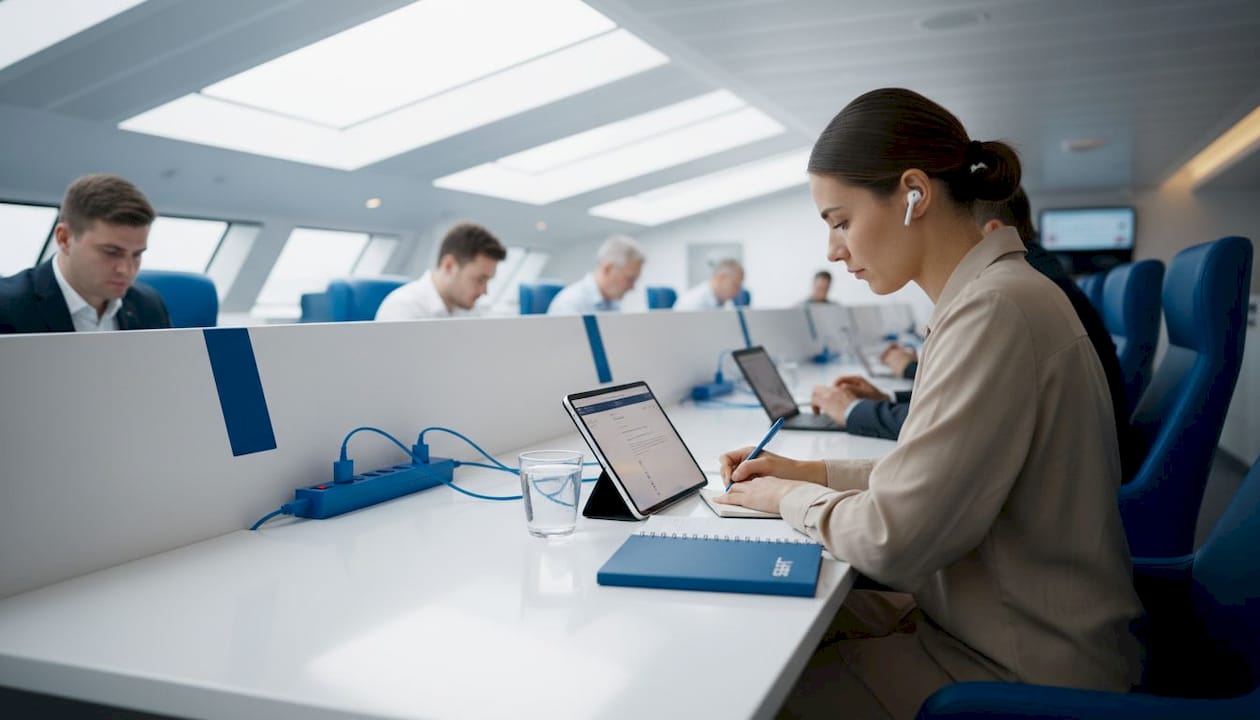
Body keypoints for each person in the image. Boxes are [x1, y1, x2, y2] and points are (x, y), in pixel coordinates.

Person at [715, 88, 1141, 719]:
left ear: (914, 193)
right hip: (998, 625)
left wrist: (786, 500)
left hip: (1016, 670)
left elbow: (895, 539)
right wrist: (811, 472)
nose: (833, 251)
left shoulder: (995, 310)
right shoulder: (994, 296)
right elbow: (939, 470)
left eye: (840, 221)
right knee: (770, 623)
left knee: (750, 682)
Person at [813, 187, 1137, 480]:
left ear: (994, 234)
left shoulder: (1004, 298)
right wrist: (887, 399)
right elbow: (975, 409)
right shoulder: (1038, 276)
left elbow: (953, 436)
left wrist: (853, 414)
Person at [0, 174, 169, 334]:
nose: (126, 270)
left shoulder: (148, 306)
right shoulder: (7, 307)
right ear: (64, 239)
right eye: (111, 252)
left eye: (137, 255)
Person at [375, 222, 506, 320]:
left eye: (487, 281)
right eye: (479, 280)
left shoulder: (471, 308)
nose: (484, 291)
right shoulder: (402, 309)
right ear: (449, 266)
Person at [546, 235, 644, 315]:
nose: (632, 287)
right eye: (630, 279)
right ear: (608, 269)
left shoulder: (613, 305)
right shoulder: (569, 304)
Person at [673, 258, 744, 311]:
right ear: (721, 278)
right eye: (735, 285)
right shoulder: (692, 303)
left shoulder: (727, 302)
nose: (738, 290)